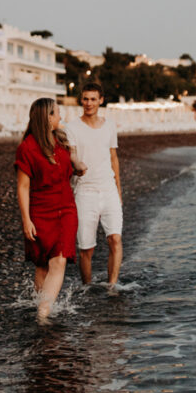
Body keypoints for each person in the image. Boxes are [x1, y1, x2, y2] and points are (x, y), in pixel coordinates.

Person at [15, 97, 80, 320]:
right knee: (42, 263)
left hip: (66, 209)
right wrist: (26, 220)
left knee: (59, 259)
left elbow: (71, 165)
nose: (60, 117)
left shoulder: (61, 141)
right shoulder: (27, 148)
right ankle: (40, 303)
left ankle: (43, 312)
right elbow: (23, 187)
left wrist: (77, 164)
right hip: (40, 211)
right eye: (57, 113)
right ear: (47, 117)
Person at [64, 80, 123, 286]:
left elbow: (113, 157)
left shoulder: (109, 126)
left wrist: (118, 191)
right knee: (86, 248)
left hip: (108, 190)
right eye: (85, 99)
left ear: (101, 101)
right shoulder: (71, 127)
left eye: (93, 99)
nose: (89, 103)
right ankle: (87, 288)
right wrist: (76, 163)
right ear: (81, 100)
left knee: (115, 239)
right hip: (84, 190)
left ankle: (112, 287)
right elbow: (70, 154)